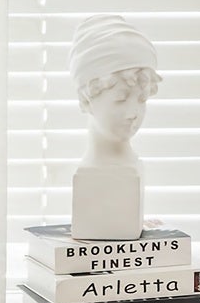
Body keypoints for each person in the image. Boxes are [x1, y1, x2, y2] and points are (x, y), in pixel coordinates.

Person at [68, 14, 160, 238]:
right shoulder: (90, 174)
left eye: (142, 99)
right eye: (121, 99)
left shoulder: (133, 167)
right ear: (87, 98)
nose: (133, 113)